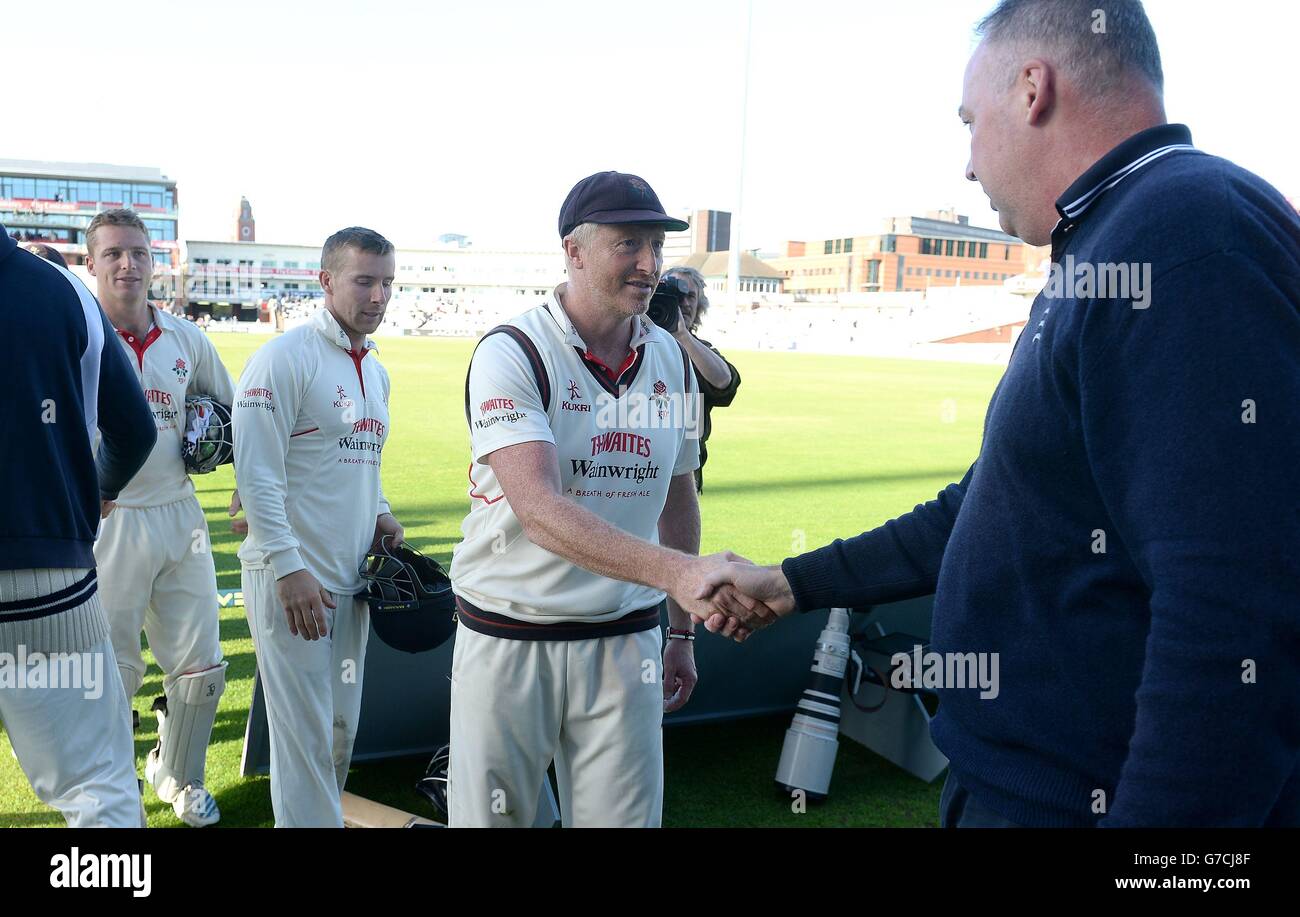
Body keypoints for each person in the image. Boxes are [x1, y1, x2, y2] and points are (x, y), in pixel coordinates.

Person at [702, 0, 1300, 827]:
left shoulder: (1187, 233)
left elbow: (1236, 610)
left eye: (969, 121)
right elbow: (988, 505)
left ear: (1031, 89)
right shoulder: (1111, 239)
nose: (968, 165)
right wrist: (795, 582)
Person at [447, 171, 759, 828]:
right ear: (575, 250)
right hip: (510, 636)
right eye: (629, 244)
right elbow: (539, 512)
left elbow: (679, 500)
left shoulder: (672, 361)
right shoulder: (514, 350)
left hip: (625, 643)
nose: (649, 265)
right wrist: (679, 574)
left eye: (656, 246)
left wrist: (680, 629)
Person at [233, 226, 404, 827]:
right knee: (304, 738)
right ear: (326, 281)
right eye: (364, 281)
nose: (379, 296)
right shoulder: (284, 358)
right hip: (292, 579)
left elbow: (360, 459)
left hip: (351, 579)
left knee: (338, 730)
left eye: (387, 282)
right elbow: (255, 477)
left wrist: (380, 510)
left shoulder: (375, 371)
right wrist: (288, 567)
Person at [0, 222, 156, 826]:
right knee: (96, 786)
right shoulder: (62, 291)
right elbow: (134, 428)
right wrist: (92, 496)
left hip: (52, 566)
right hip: (49, 576)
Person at [85, 209, 236, 827]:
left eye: (139, 253)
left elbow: (229, 413)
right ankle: (113, 786)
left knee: (201, 669)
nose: (129, 264)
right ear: (91, 264)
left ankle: (179, 778)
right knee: (113, 670)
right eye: (115, 253)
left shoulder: (186, 339)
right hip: (108, 518)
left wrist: (241, 484)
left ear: (155, 261)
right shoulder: (78, 337)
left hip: (180, 514)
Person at [662, 265, 741, 491]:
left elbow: (725, 382)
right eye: (677, 296)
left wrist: (682, 337)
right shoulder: (630, 343)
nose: (685, 303)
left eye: (691, 297)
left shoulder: (699, 351)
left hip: (684, 478)